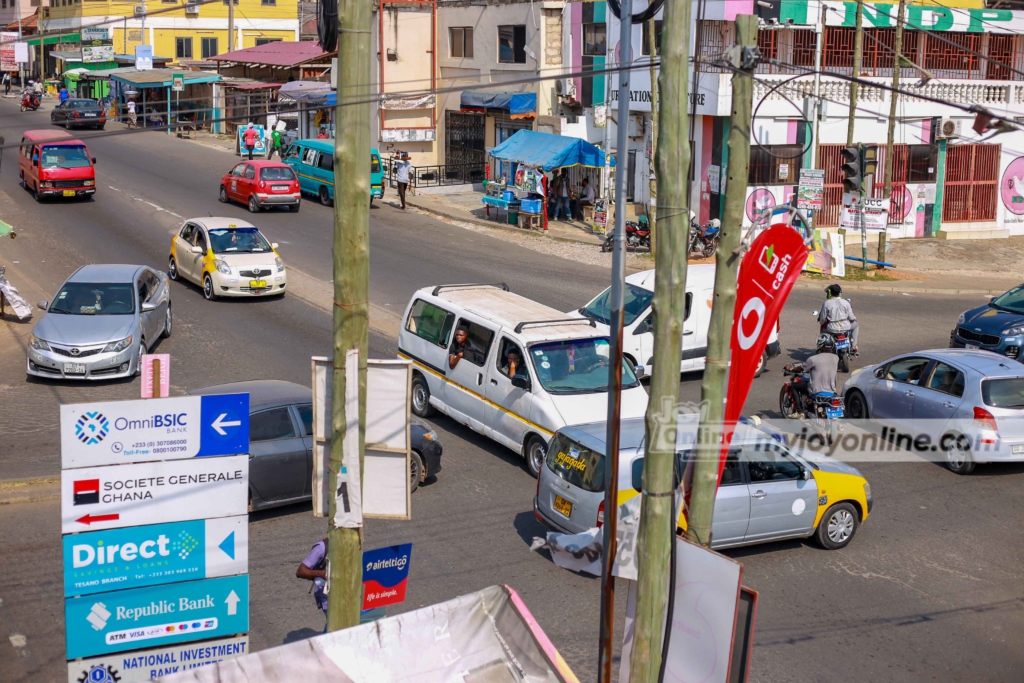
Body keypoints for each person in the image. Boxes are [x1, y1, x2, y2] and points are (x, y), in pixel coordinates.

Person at [786, 335, 840, 411]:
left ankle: (800, 411)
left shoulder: (813, 359)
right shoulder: (836, 358)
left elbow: (801, 368)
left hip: (816, 390)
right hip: (831, 391)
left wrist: (791, 369)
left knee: (793, 386)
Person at [296, 537, 329, 631]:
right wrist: (321, 573)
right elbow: (300, 572)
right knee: (335, 627)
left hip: (349, 595)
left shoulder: (354, 543)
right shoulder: (322, 547)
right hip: (328, 597)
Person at [818, 284, 859, 352]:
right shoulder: (846, 302)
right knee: (856, 325)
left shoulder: (827, 303)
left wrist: (822, 323)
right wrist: (854, 319)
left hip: (831, 328)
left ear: (830, 293)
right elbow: (851, 317)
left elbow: (822, 319)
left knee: (822, 329)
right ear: (840, 293)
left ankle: (823, 347)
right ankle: (854, 345)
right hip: (846, 327)